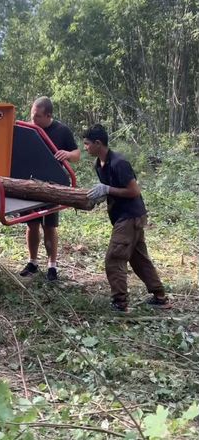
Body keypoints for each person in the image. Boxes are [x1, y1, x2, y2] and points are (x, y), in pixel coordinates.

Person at [83, 124, 171, 312]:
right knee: (139, 259)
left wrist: (107, 189)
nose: (85, 148)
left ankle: (120, 303)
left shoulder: (118, 163)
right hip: (123, 216)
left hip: (130, 216)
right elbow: (113, 188)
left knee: (114, 258)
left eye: (87, 144)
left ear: (98, 143)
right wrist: (102, 194)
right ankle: (160, 296)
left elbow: (133, 191)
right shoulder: (99, 164)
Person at [19, 96, 80, 281]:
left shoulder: (62, 131)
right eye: (32, 115)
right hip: (30, 182)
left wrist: (68, 154)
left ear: (48, 115)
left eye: (37, 116)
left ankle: (52, 266)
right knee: (32, 224)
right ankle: (32, 262)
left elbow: (77, 154)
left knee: (50, 226)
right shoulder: (28, 129)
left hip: (53, 184)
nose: (33, 120)